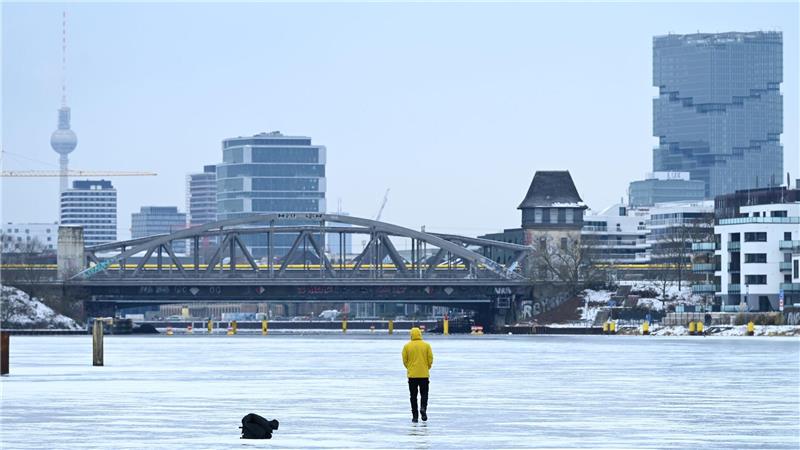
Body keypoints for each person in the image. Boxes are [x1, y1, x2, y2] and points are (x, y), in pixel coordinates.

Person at [402, 327, 433, 423]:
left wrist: (409, 368)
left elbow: (405, 360)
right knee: (424, 394)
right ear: (420, 334)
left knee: (413, 396)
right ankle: (423, 408)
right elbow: (430, 359)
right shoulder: (426, 346)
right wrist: (427, 367)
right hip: (424, 375)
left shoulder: (407, 346)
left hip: (412, 376)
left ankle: (415, 416)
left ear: (411, 334)